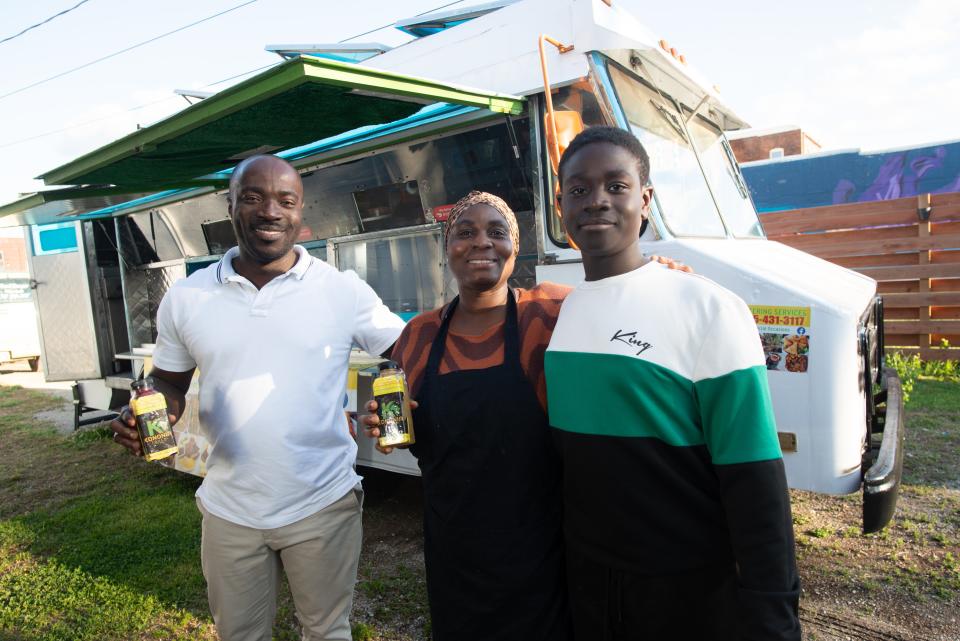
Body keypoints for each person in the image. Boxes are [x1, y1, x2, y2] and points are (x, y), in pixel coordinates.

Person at [110, 154, 405, 641]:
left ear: (300, 211)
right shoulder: (188, 297)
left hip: (323, 500)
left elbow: (408, 352)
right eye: (253, 197)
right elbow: (169, 383)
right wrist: (148, 413)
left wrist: (391, 408)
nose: (271, 211)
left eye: (285, 201)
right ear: (230, 206)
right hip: (229, 507)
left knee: (327, 631)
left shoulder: (341, 290)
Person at [546, 126, 802, 640]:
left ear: (645, 200)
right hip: (589, 588)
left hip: (687, 593)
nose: (596, 200)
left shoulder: (709, 307)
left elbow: (755, 481)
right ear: (561, 207)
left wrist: (772, 614)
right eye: (578, 189)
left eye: (616, 186)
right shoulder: (564, 311)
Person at [365, 191, 573, 641]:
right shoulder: (419, 336)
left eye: (497, 232)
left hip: (541, 548)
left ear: (515, 248)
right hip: (455, 548)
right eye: (466, 232)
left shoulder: (551, 312)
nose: (482, 242)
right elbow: (403, 434)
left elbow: (622, 297)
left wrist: (668, 274)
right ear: (447, 247)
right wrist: (388, 427)